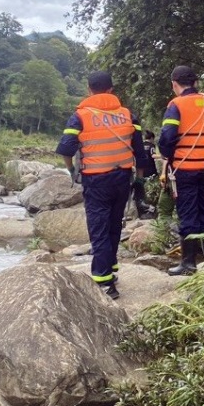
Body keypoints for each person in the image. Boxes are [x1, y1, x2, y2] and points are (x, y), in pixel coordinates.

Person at [56, 71, 151, 299]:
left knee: (98, 227)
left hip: (96, 180)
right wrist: (138, 180)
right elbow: (140, 153)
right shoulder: (128, 115)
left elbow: (66, 149)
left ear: (89, 90)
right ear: (111, 89)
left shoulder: (80, 116)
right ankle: (111, 268)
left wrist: (71, 170)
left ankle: (104, 281)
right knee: (114, 225)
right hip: (122, 178)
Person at [158, 65, 204, 276]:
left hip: (185, 168)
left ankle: (188, 263)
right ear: (195, 82)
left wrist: (168, 155)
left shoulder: (176, 105)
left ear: (175, 84)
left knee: (188, 213)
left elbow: (166, 138)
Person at [133, 130, 159, 218]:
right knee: (153, 188)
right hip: (151, 170)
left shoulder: (141, 145)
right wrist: (162, 156)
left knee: (143, 188)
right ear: (152, 138)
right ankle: (151, 206)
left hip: (141, 171)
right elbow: (153, 155)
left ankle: (143, 204)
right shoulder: (152, 146)